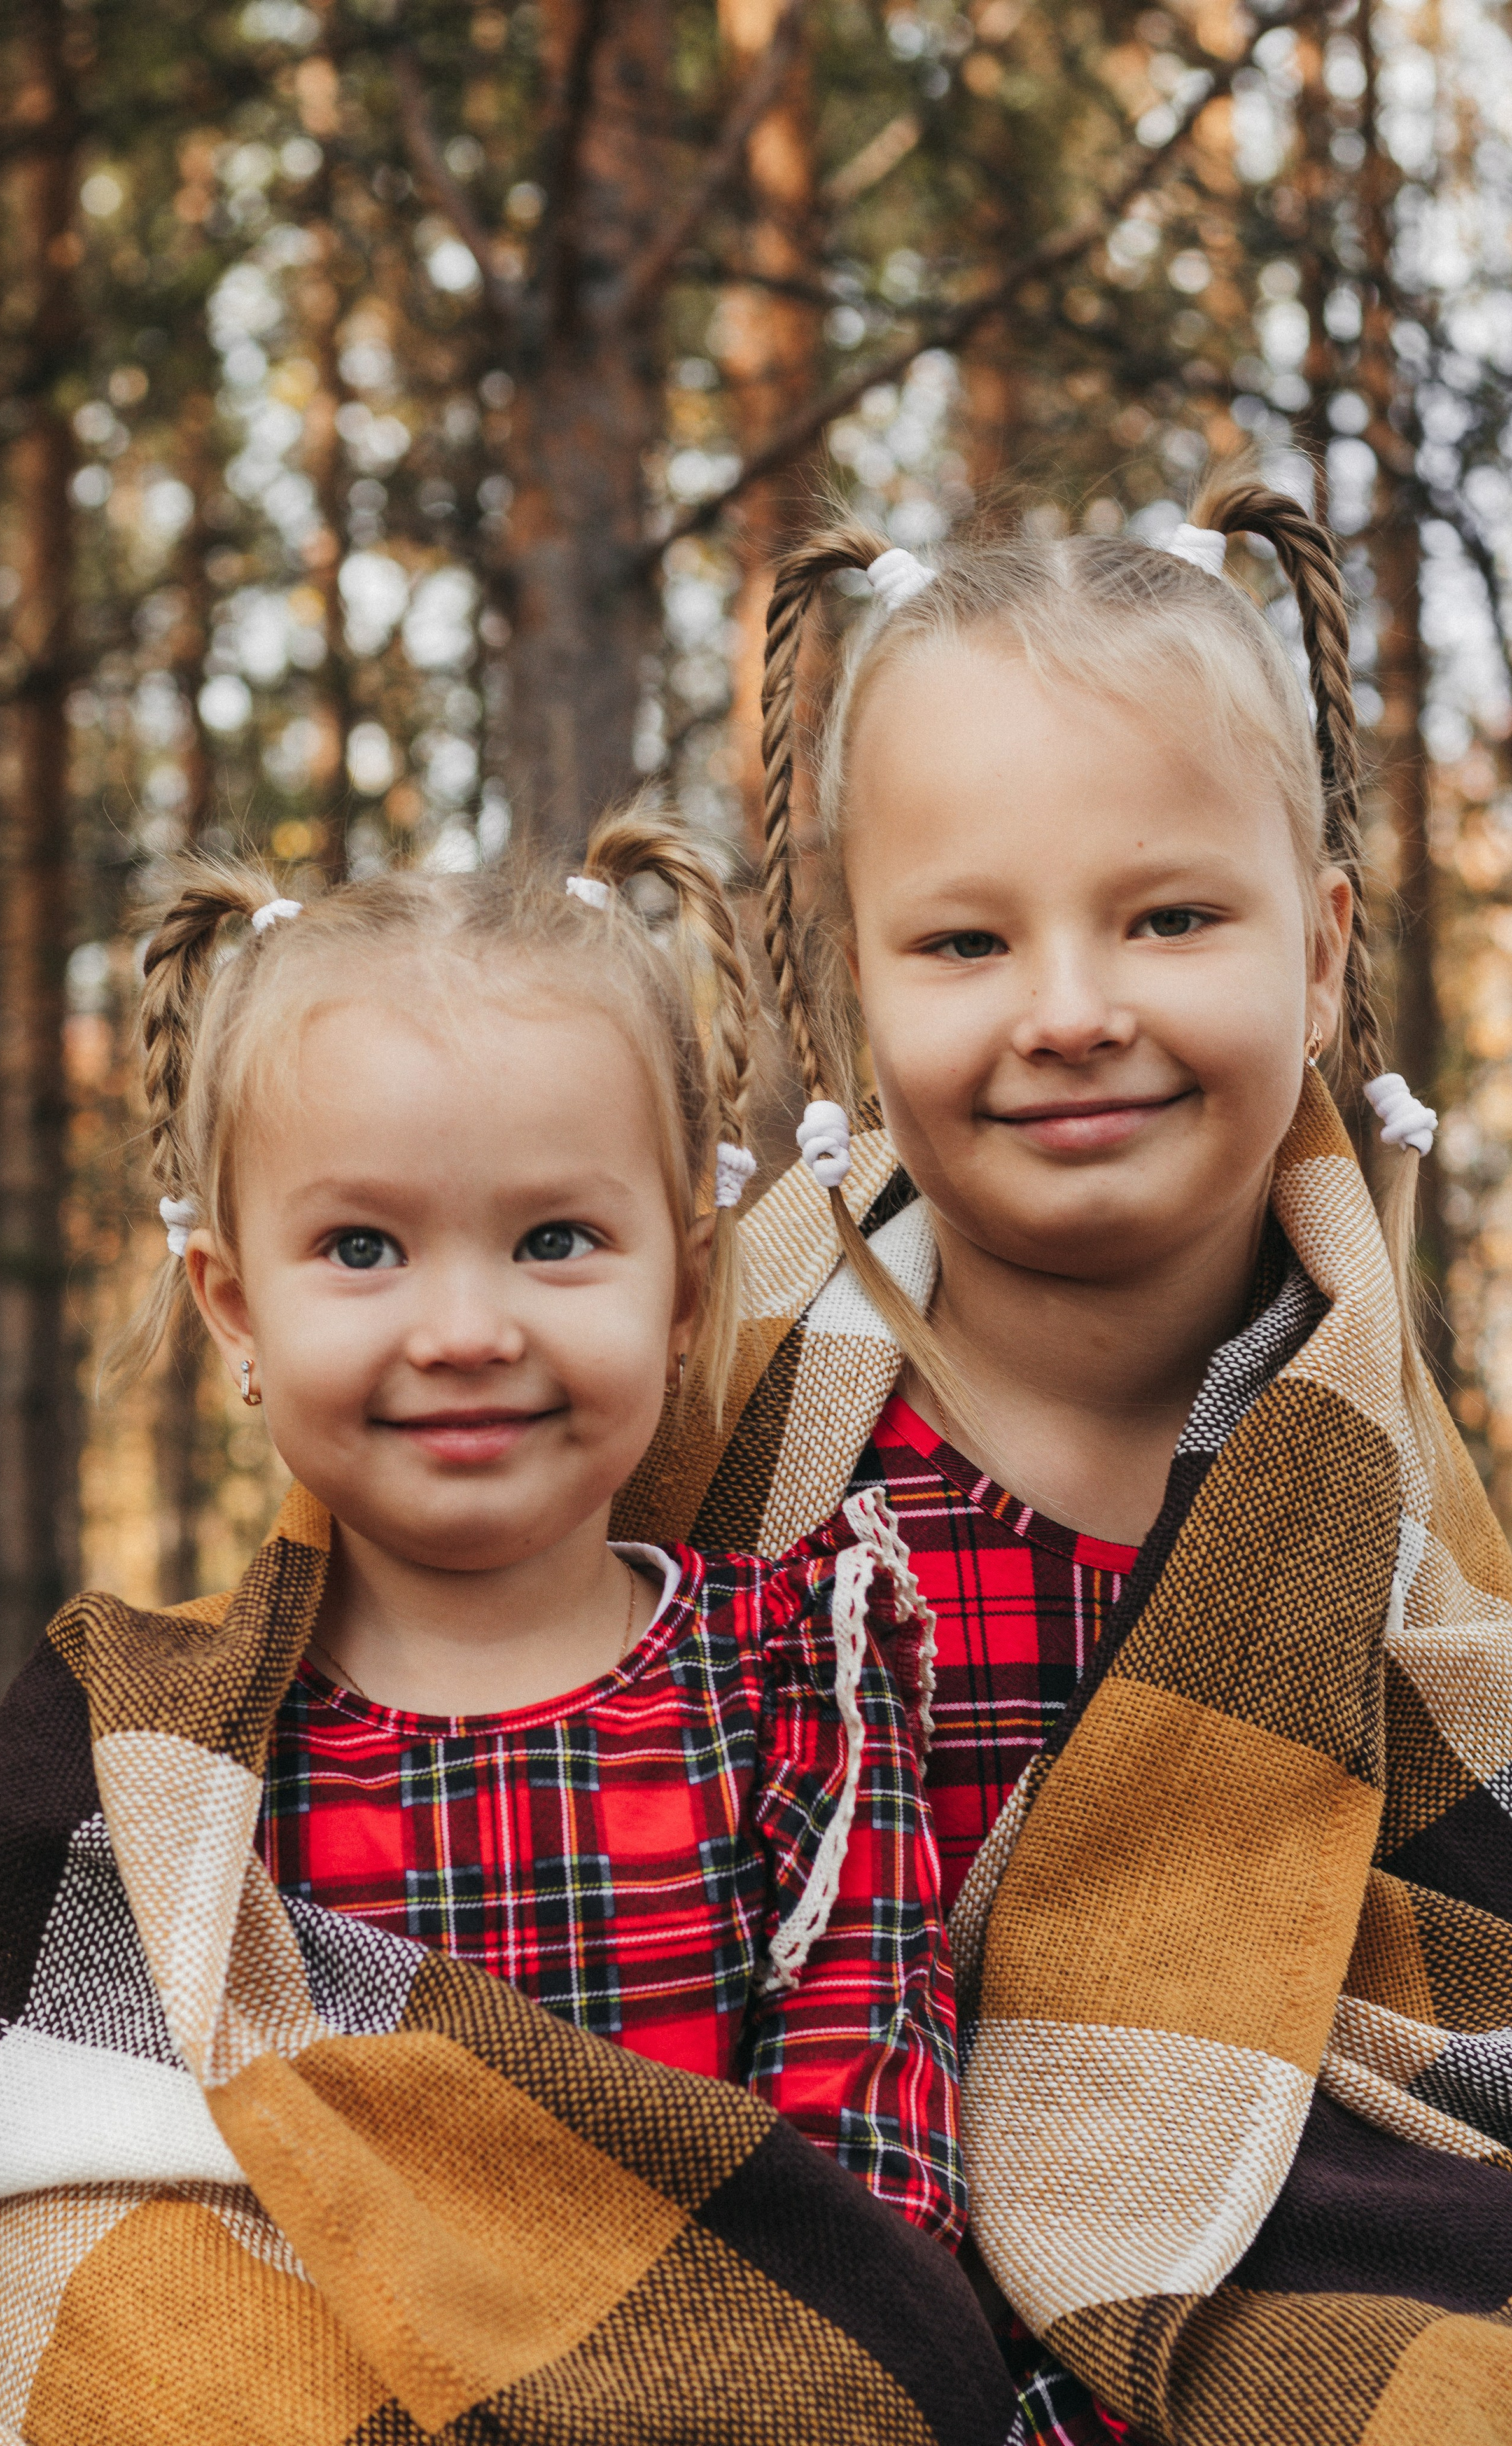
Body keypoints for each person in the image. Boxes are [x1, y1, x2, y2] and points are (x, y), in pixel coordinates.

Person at [0, 812, 1018, 2446]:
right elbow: (89, 2176)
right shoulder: (154, 1750)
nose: (468, 1328)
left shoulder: (793, 1677)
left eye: (556, 1239)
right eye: (362, 1247)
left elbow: (866, 2177)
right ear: (235, 1305)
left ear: (684, 1285)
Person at [615, 482, 1512, 2442]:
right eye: (964, 940)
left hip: (1259, 2306)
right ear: (858, 990)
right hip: (795, 2312)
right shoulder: (696, 1430)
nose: (1075, 1011)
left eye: (1172, 915)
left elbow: (1459, 1989)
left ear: (1318, 951)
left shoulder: (1380, 1510)